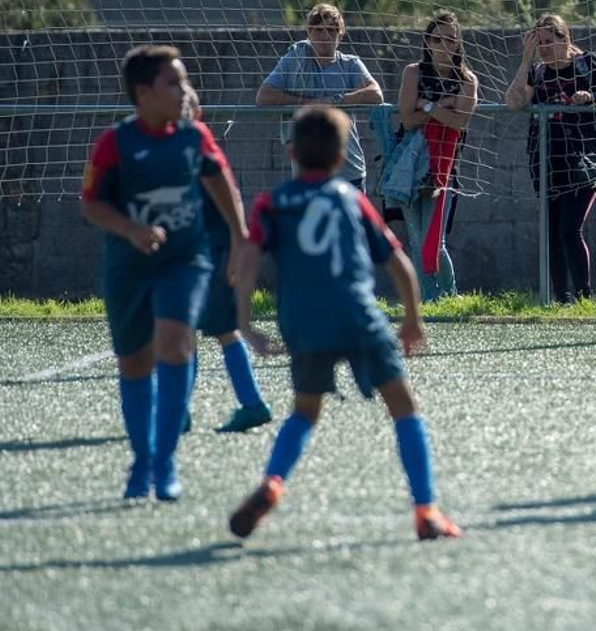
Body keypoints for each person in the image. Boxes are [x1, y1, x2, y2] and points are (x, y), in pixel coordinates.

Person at [226, 105, 461, 542]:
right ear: (341, 158)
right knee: (403, 407)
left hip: (303, 322)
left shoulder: (271, 203)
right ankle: (426, 510)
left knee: (304, 412)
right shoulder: (352, 200)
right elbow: (400, 265)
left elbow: (247, 261)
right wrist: (412, 319)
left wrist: (246, 323)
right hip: (357, 315)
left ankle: (272, 483)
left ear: (291, 151)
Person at [80, 45, 249, 501]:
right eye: (173, 82)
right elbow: (91, 202)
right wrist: (129, 228)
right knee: (134, 362)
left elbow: (222, 181)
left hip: (185, 261)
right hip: (129, 266)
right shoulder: (114, 143)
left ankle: (166, 461)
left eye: (184, 80)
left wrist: (239, 237)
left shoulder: (194, 138)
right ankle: (143, 462)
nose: (184, 90)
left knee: (175, 344)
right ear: (143, 93)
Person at [505, 13, 596, 302]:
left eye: (550, 42)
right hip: (546, 160)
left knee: (569, 228)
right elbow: (513, 102)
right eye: (540, 43)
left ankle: (585, 297)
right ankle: (560, 300)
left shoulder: (588, 64)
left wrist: (593, 98)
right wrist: (525, 60)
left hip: (583, 160)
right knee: (550, 231)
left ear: (565, 38)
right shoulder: (536, 72)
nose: (545, 49)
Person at [181, 85, 272, 433]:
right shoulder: (166, 148)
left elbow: (231, 196)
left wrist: (236, 246)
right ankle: (180, 411)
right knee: (183, 332)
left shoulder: (198, 143)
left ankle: (252, 403)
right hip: (188, 255)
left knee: (222, 331)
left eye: (186, 106)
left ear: (197, 113)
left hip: (214, 253)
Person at [395, 11, 478, 301]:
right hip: (409, 165)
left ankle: (450, 295)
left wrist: (427, 107)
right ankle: (428, 298)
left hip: (444, 168)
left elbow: (460, 122)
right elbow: (406, 118)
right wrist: (443, 105)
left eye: (451, 40)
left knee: (435, 241)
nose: (444, 46)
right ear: (428, 42)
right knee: (416, 240)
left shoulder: (467, 79)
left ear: (458, 45)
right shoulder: (413, 72)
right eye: (438, 39)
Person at [256, 3, 383, 188]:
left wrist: (335, 101)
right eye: (318, 30)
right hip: (307, 170)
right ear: (309, 33)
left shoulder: (350, 64)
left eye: (331, 30)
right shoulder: (294, 59)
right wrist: (309, 103)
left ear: (340, 35)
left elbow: (376, 94)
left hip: (348, 168)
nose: (325, 36)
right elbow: (263, 96)